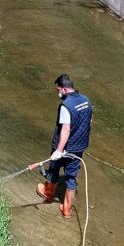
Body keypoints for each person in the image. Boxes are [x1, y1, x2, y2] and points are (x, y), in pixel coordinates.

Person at [35, 74, 92, 219]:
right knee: (71, 178)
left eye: (58, 90)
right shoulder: (86, 100)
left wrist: (59, 150)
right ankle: (67, 210)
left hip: (64, 147)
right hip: (78, 148)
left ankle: (48, 194)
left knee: (53, 169)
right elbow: (89, 122)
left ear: (65, 89)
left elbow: (65, 129)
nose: (58, 93)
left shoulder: (66, 106)